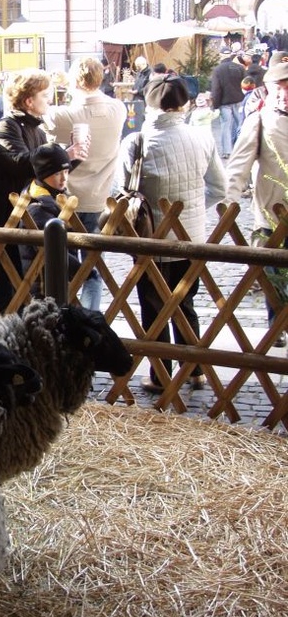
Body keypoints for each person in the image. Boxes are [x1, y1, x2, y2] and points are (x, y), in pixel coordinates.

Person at [119, 74, 226, 394]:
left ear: (149, 104)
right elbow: (219, 188)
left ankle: (159, 374)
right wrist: (191, 212)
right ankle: (193, 370)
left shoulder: (135, 142)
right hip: (191, 239)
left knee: (153, 308)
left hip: (150, 240)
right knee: (185, 303)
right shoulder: (203, 137)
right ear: (184, 104)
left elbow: (122, 190)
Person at [0, 68, 85, 314]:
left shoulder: (38, 130)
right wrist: (64, 154)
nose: (49, 100)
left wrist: (70, 160)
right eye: (45, 95)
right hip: (3, 221)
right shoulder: (6, 127)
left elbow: (46, 175)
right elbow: (21, 162)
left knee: (20, 293)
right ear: (29, 100)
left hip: (27, 222)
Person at [44, 56, 126, 310]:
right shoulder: (118, 109)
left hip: (67, 199)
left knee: (61, 267)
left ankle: (64, 317)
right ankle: (92, 316)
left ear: (73, 81)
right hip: (99, 197)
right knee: (91, 267)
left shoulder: (64, 114)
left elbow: (45, 131)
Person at [225, 50, 288, 347]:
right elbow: (238, 164)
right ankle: (278, 329)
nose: (285, 92)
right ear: (271, 89)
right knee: (273, 278)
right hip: (271, 215)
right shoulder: (259, 119)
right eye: (280, 86)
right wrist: (229, 202)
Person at [19, 143, 82, 298]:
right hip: (44, 284)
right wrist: (82, 270)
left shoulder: (54, 197)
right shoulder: (37, 207)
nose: (64, 178)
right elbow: (51, 250)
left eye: (66, 171)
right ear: (43, 174)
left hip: (56, 281)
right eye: (57, 174)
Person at [210, 46, 245, 159]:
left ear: (221, 55)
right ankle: (241, 149)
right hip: (239, 100)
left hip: (225, 102)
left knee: (225, 125)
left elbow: (216, 89)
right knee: (240, 124)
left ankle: (227, 151)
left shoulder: (218, 69)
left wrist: (215, 105)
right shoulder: (240, 68)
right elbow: (245, 84)